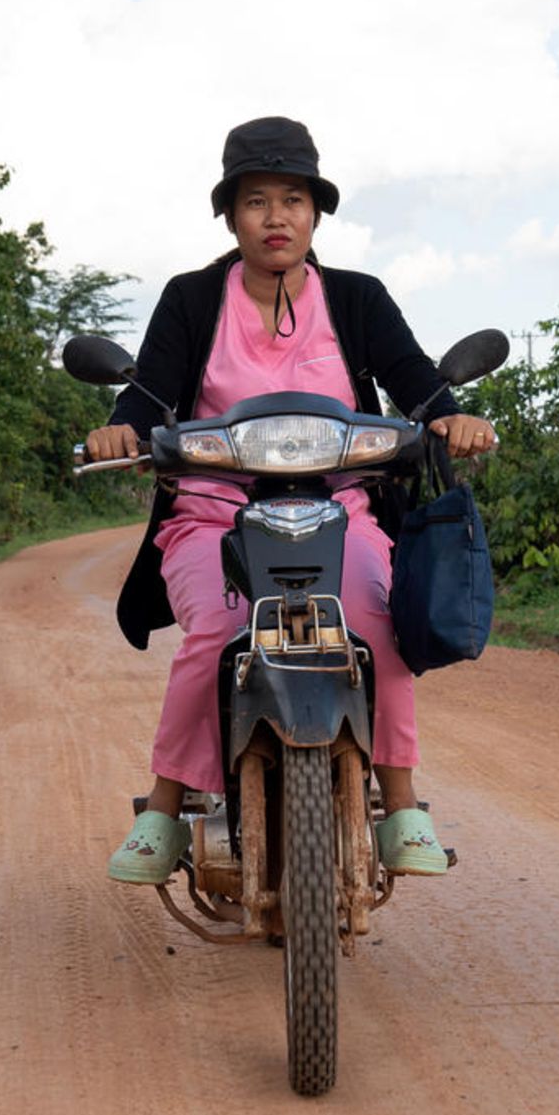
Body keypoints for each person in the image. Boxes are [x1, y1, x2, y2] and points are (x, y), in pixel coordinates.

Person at [85, 116, 496, 885]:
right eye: (257, 202)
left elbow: (420, 383)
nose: (277, 218)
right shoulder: (190, 299)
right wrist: (118, 433)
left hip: (342, 513)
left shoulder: (359, 299)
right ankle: (165, 814)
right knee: (216, 630)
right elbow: (144, 396)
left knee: (378, 623)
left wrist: (451, 416)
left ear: (316, 215)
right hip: (215, 515)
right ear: (231, 215)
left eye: (294, 201)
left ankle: (403, 804)